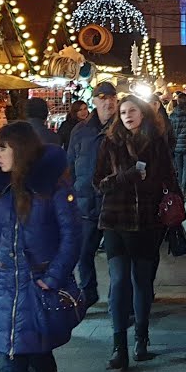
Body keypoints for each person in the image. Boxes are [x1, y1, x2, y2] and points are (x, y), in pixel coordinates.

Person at [0, 121, 81, 372]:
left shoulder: (53, 187)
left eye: (2, 148)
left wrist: (52, 277)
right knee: (12, 356)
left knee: (38, 355)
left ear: (19, 149)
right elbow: (0, 239)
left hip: (38, 285)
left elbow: (72, 236)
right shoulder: (1, 189)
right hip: (8, 285)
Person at [93, 95, 179, 372]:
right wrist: (126, 176)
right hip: (116, 220)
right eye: (123, 111)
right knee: (119, 281)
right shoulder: (110, 143)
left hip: (147, 223)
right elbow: (98, 182)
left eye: (132, 111)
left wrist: (172, 212)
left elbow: (169, 178)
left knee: (142, 282)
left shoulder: (156, 143)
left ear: (143, 114)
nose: (128, 115)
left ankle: (141, 340)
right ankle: (119, 346)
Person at [66, 83, 118, 309]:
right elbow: (70, 164)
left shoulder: (123, 126)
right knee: (83, 253)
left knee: (117, 260)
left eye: (112, 98)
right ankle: (88, 291)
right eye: (102, 98)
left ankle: (119, 300)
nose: (108, 102)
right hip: (87, 203)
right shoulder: (81, 130)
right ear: (94, 101)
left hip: (116, 204)